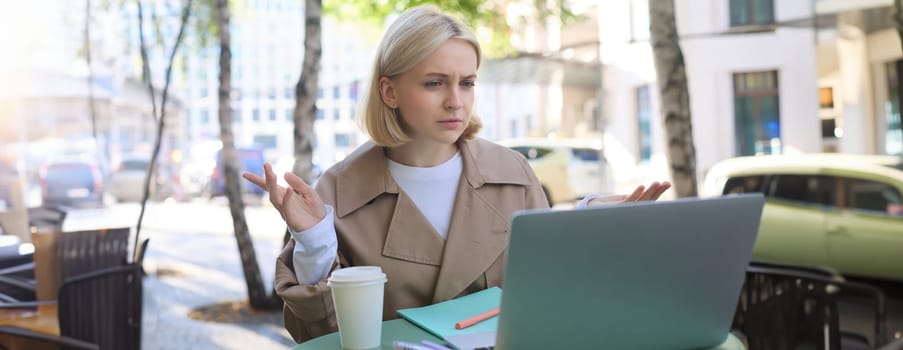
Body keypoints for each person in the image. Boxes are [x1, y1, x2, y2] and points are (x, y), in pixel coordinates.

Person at [243, 5, 670, 343]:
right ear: (389, 91)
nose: (456, 102)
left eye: (467, 83)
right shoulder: (336, 191)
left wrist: (588, 224)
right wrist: (314, 242)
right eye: (434, 83)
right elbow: (314, 336)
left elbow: (549, 299)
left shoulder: (514, 173)